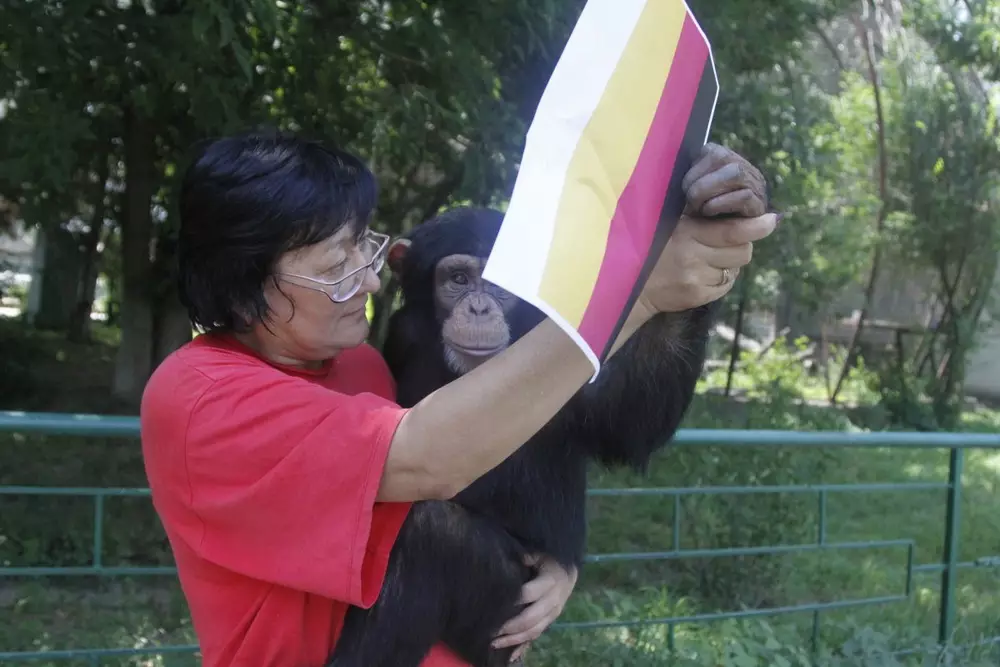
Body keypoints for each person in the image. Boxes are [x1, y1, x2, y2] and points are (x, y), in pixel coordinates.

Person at [139, 130, 778, 667]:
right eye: (335, 268)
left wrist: (555, 559)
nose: (367, 281)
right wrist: (638, 296)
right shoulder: (201, 396)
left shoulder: (361, 363)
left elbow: (605, 431)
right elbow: (430, 466)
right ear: (244, 287)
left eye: (362, 249)